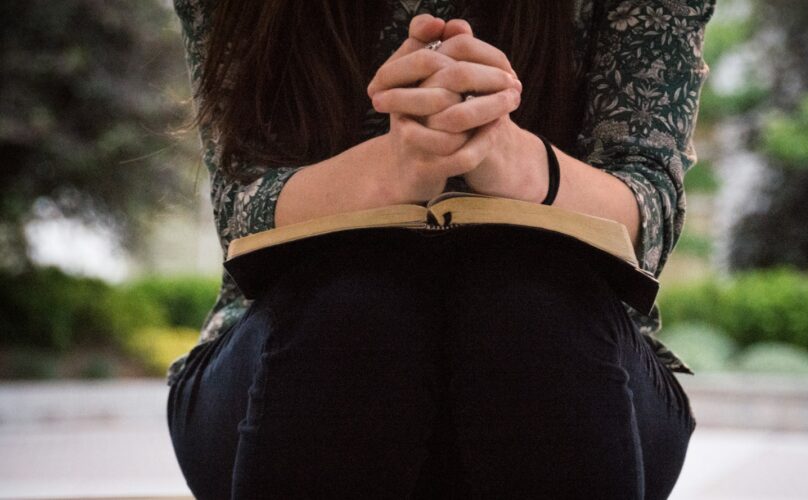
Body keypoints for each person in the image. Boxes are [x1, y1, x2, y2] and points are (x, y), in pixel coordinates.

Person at [166, 0, 715, 498]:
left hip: (572, 362)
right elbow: (239, 212)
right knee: (356, 310)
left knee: (528, 309)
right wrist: (393, 167)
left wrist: (508, 156)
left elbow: (651, 214)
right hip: (296, 358)